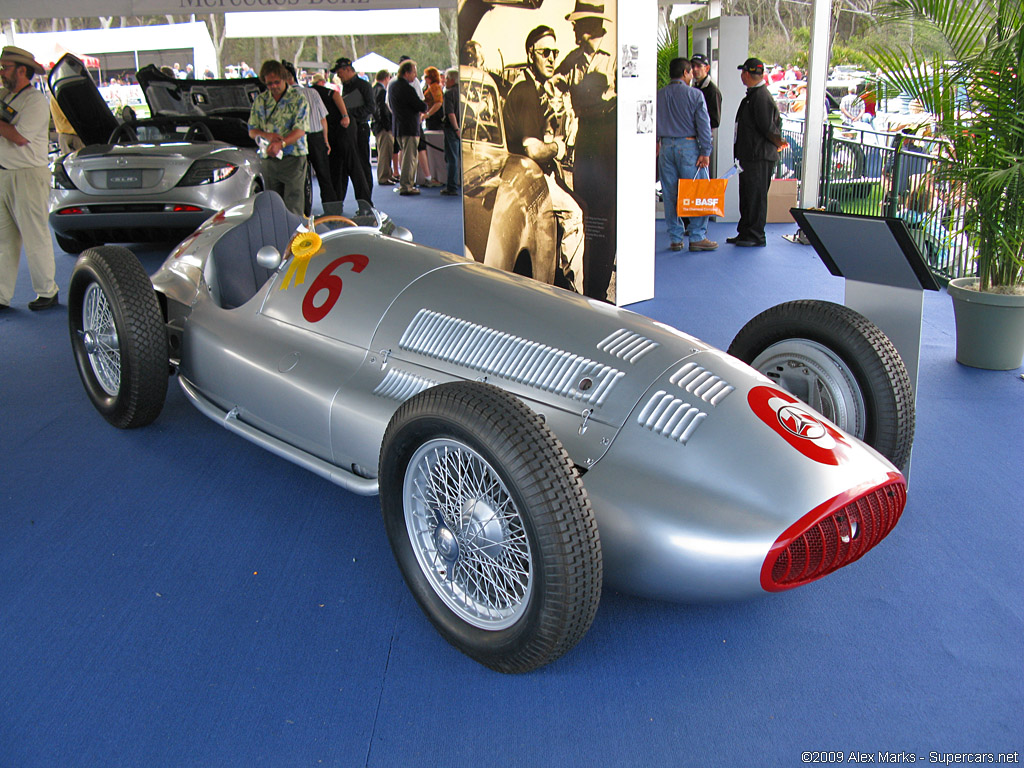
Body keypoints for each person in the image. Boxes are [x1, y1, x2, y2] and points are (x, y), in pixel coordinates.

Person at [506, 25, 586, 292]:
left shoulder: (531, 87)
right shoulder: (527, 91)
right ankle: (578, 293)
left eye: (555, 52)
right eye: (545, 52)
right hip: (527, 174)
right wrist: (558, 147)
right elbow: (534, 149)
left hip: (523, 173)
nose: (552, 58)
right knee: (575, 214)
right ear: (531, 54)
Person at [556, 1, 617, 301]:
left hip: (608, 143)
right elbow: (557, 88)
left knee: (605, 217)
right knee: (585, 209)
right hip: (585, 142)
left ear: (590, 26)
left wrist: (586, 100)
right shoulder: (572, 60)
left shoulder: (614, 57)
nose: (574, 29)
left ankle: (599, 287)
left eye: (577, 24)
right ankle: (588, 285)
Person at [0, 46, 59, 312]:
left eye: (6, 67)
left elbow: (20, 138)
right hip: (4, 174)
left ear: (22, 70)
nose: (2, 73)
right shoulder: (6, 97)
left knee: (35, 235)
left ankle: (47, 291)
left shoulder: (35, 100)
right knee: (4, 240)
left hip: (27, 174)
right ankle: (2, 295)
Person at [656, 58, 717, 253]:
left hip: (665, 146)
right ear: (685, 73)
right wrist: (705, 152)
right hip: (689, 147)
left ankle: (675, 238)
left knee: (670, 192)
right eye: (690, 72)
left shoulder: (658, 95)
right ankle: (697, 236)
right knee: (696, 191)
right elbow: (704, 126)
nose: (692, 76)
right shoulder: (695, 95)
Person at [729, 57, 787, 248]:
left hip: (759, 157)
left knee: (755, 195)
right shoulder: (754, 95)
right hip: (749, 156)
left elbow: (767, 127)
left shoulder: (761, 96)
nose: (742, 76)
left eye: (743, 72)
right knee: (747, 195)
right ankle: (745, 231)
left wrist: (779, 142)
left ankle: (755, 234)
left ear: (747, 73)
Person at [247, 59, 309, 216]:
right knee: (273, 204)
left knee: (293, 204)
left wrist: (281, 143)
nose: (273, 86)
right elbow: (252, 130)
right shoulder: (260, 100)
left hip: (293, 159)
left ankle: (295, 238)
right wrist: (267, 136)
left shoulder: (298, 98)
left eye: (276, 82)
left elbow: (301, 129)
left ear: (285, 79)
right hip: (269, 159)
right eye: (269, 84)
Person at [283, 60, 336, 215]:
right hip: (316, 137)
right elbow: (323, 119)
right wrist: (326, 140)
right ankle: (332, 211)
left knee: (299, 178)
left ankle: (302, 212)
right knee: (324, 176)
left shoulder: (286, 97)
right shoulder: (312, 93)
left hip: (297, 139)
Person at [333, 58, 375, 204]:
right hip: (350, 130)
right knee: (347, 165)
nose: (339, 76)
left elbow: (371, 107)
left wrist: (349, 113)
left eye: (340, 72)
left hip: (361, 128)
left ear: (348, 69)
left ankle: (366, 202)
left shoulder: (363, 86)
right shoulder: (347, 86)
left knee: (362, 165)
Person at [389, 59, 427, 196]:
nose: (415, 76)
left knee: (405, 156)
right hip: (409, 127)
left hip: (398, 126)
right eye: (414, 73)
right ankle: (406, 186)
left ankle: (406, 184)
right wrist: (425, 105)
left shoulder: (392, 86)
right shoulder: (407, 89)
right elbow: (421, 106)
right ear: (407, 73)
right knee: (409, 158)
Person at [371, 70, 398, 185]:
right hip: (383, 126)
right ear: (386, 78)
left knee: (384, 151)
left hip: (377, 125)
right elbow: (381, 110)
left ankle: (388, 174)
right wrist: (387, 126)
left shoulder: (373, 89)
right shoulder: (381, 91)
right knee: (385, 152)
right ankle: (384, 176)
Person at [440, 68, 461, 197]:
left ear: (452, 80)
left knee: (451, 157)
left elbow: (450, 113)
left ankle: (451, 186)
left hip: (452, 129)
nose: (445, 81)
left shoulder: (449, 94)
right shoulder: (462, 92)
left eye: (447, 78)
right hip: (462, 129)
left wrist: (456, 128)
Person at [690, 53, 722, 131]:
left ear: (707, 68)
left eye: (699, 66)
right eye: (693, 66)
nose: (695, 69)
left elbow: (715, 121)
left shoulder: (712, 91)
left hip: (704, 136)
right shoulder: (694, 88)